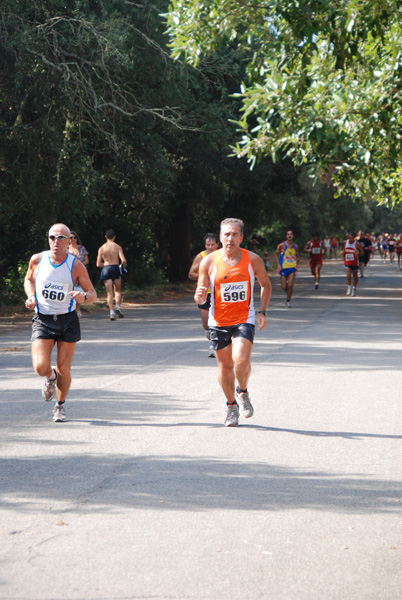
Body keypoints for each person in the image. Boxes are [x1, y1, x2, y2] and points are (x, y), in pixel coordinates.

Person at [194, 218, 271, 427]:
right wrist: (199, 297)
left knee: (240, 360)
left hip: (244, 318)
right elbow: (200, 296)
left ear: (241, 237)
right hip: (218, 320)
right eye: (226, 234)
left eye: (235, 234)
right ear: (220, 237)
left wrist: (262, 311)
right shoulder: (208, 262)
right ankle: (231, 407)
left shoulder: (252, 259)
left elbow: (265, 285)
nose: (230, 238)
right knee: (225, 367)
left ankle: (243, 391)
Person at [24, 223, 97, 422]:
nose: (56, 242)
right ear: (48, 239)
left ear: (69, 241)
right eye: (52, 238)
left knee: (64, 368)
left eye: (61, 238)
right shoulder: (38, 260)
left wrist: (83, 296)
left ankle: (60, 406)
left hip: (67, 320)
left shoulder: (76, 265)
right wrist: (31, 296)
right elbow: (29, 279)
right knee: (40, 367)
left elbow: (92, 294)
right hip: (43, 319)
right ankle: (50, 377)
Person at [188, 233, 220, 357]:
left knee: (217, 319)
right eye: (208, 245)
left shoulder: (223, 255)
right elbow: (191, 274)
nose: (210, 247)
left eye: (213, 244)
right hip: (205, 293)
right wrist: (205, 275)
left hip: (219, 292)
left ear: (218, 244)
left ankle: (214, 344)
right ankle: (209, 332)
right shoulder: (200, 257)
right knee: (206, 322)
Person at [96, 229, 127, 320]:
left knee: (109, 293)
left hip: (106, 268)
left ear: (105, 237)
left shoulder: (101, 248)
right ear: (114, 237)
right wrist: (123, 267)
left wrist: (105, 265)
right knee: (117, 290)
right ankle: (117, 306)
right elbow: (124, 260)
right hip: (115, 267)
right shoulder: (117, 247)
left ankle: (111, 312)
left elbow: (98, 264)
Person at [275, 230, 299, 308]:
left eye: (291, 234)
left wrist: (296, 265)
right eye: (288, 234)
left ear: (293, 236)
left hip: (291, 268)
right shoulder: (281, 245)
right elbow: (276, 255)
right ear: (286, 236)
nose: (289, 235)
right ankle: (288, 291)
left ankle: (288, 300)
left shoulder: (296, 246)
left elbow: (297, 257)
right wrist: (278, 265)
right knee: (284, 287)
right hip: (283, 268)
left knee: (290, 285)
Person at [68, 230, 89, 317]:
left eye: (74, 237)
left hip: (79, 272)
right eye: (71, 237)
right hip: (69, 272)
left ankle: (78, 309)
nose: (73, 239)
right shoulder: (65, 249)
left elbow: (87, 260)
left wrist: (79, 266)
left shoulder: (81, 248)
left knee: (78, 291)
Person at [341, 231, 363, 296]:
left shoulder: (357, 244)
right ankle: (349, 287)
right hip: (347, 262)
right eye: (349, 238)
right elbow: (342, 250)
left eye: (352, 238)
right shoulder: (345, 242)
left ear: (354, 238)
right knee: (348, 275)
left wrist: (358, 253)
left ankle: (354, 288)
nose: (350, 239)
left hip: (355, 263)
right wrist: (342, 252)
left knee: (355, 277)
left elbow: (362, 252)